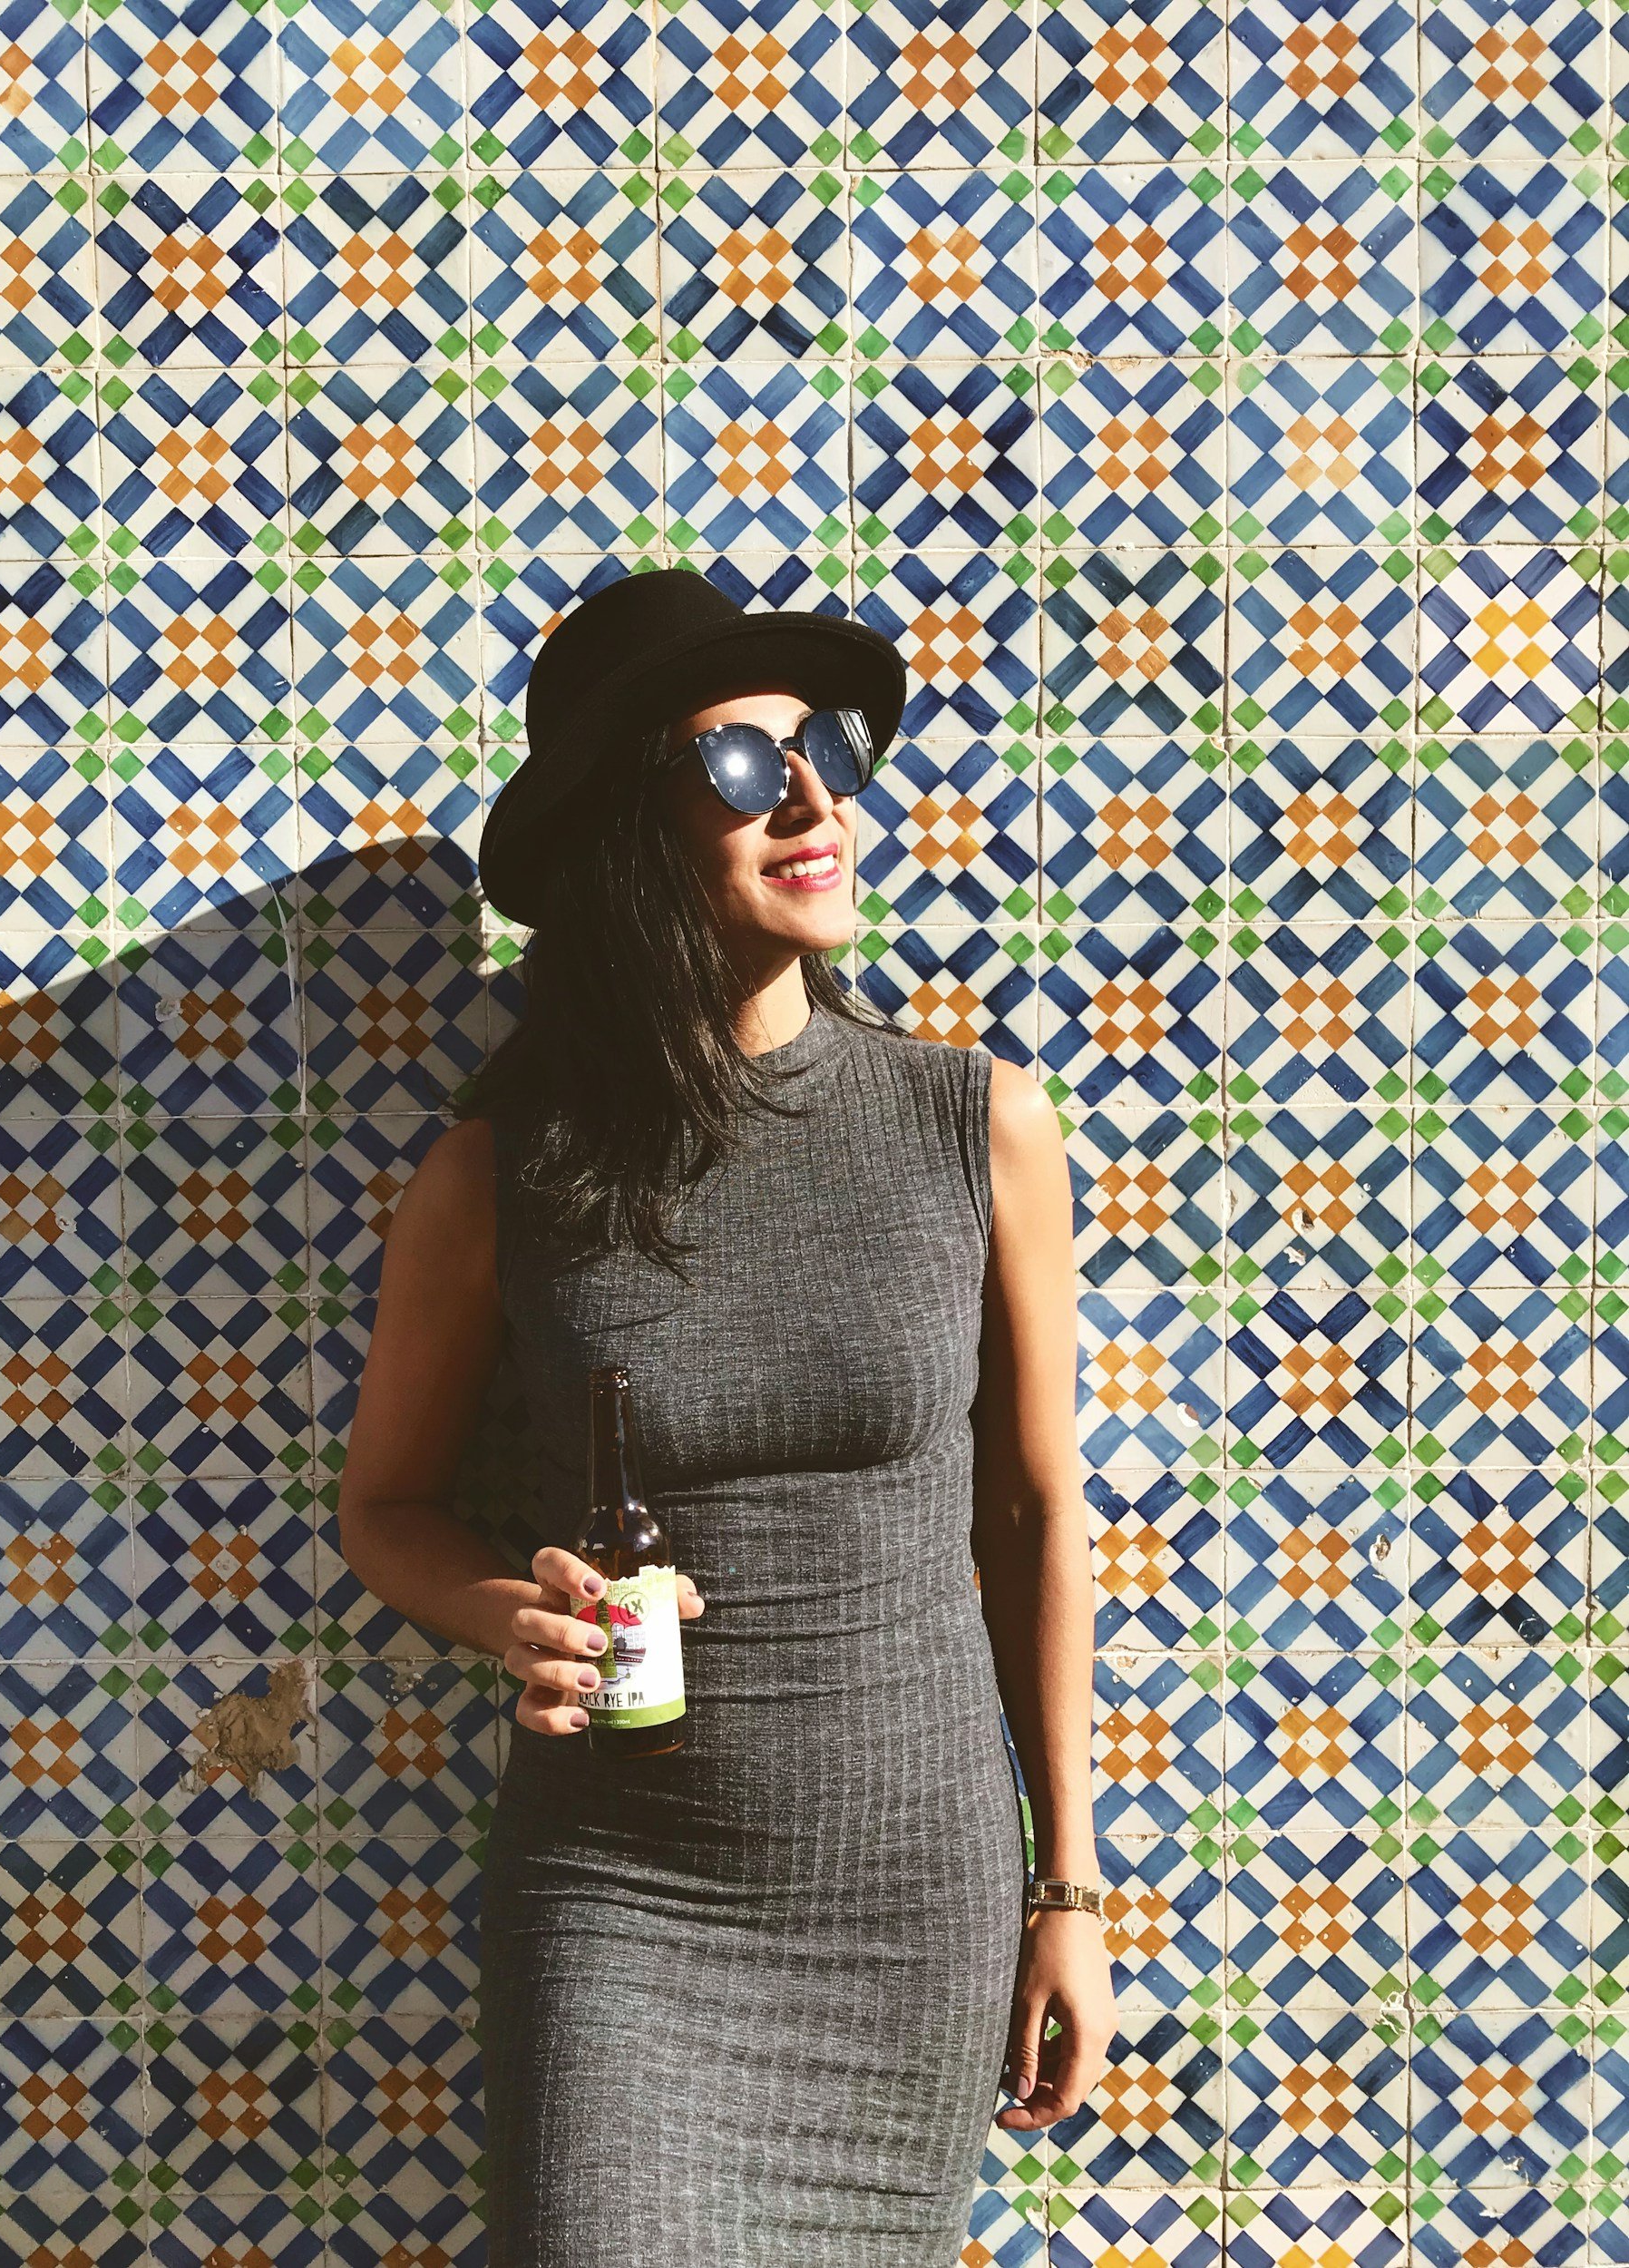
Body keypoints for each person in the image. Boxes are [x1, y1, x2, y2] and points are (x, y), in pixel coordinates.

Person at [337, 568, 1117, 2266]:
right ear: (633, 824)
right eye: (746, 766)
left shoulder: (975, 1123)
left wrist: (1069, 1892)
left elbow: (1038, 1517)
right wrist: (515, 1619)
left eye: (823, 748)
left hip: (913, 1903)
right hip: (626, 1901)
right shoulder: (504, 1174)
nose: (819, 796)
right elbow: (385, 1506)